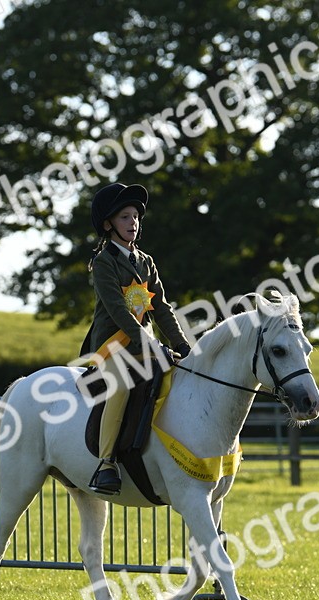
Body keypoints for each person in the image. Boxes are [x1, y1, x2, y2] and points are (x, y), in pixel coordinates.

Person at [80, 182, 192, 495]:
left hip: (147, 347)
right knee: (121, 386)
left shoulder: (146, 262)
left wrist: (182, 345)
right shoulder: (104, 263)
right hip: (113, 348)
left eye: (136, 217)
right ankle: (106, 463)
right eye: (125, 217)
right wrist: (151, 344)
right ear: (108, 225)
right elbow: (118, 311)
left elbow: (162, 308)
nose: (133, 223)